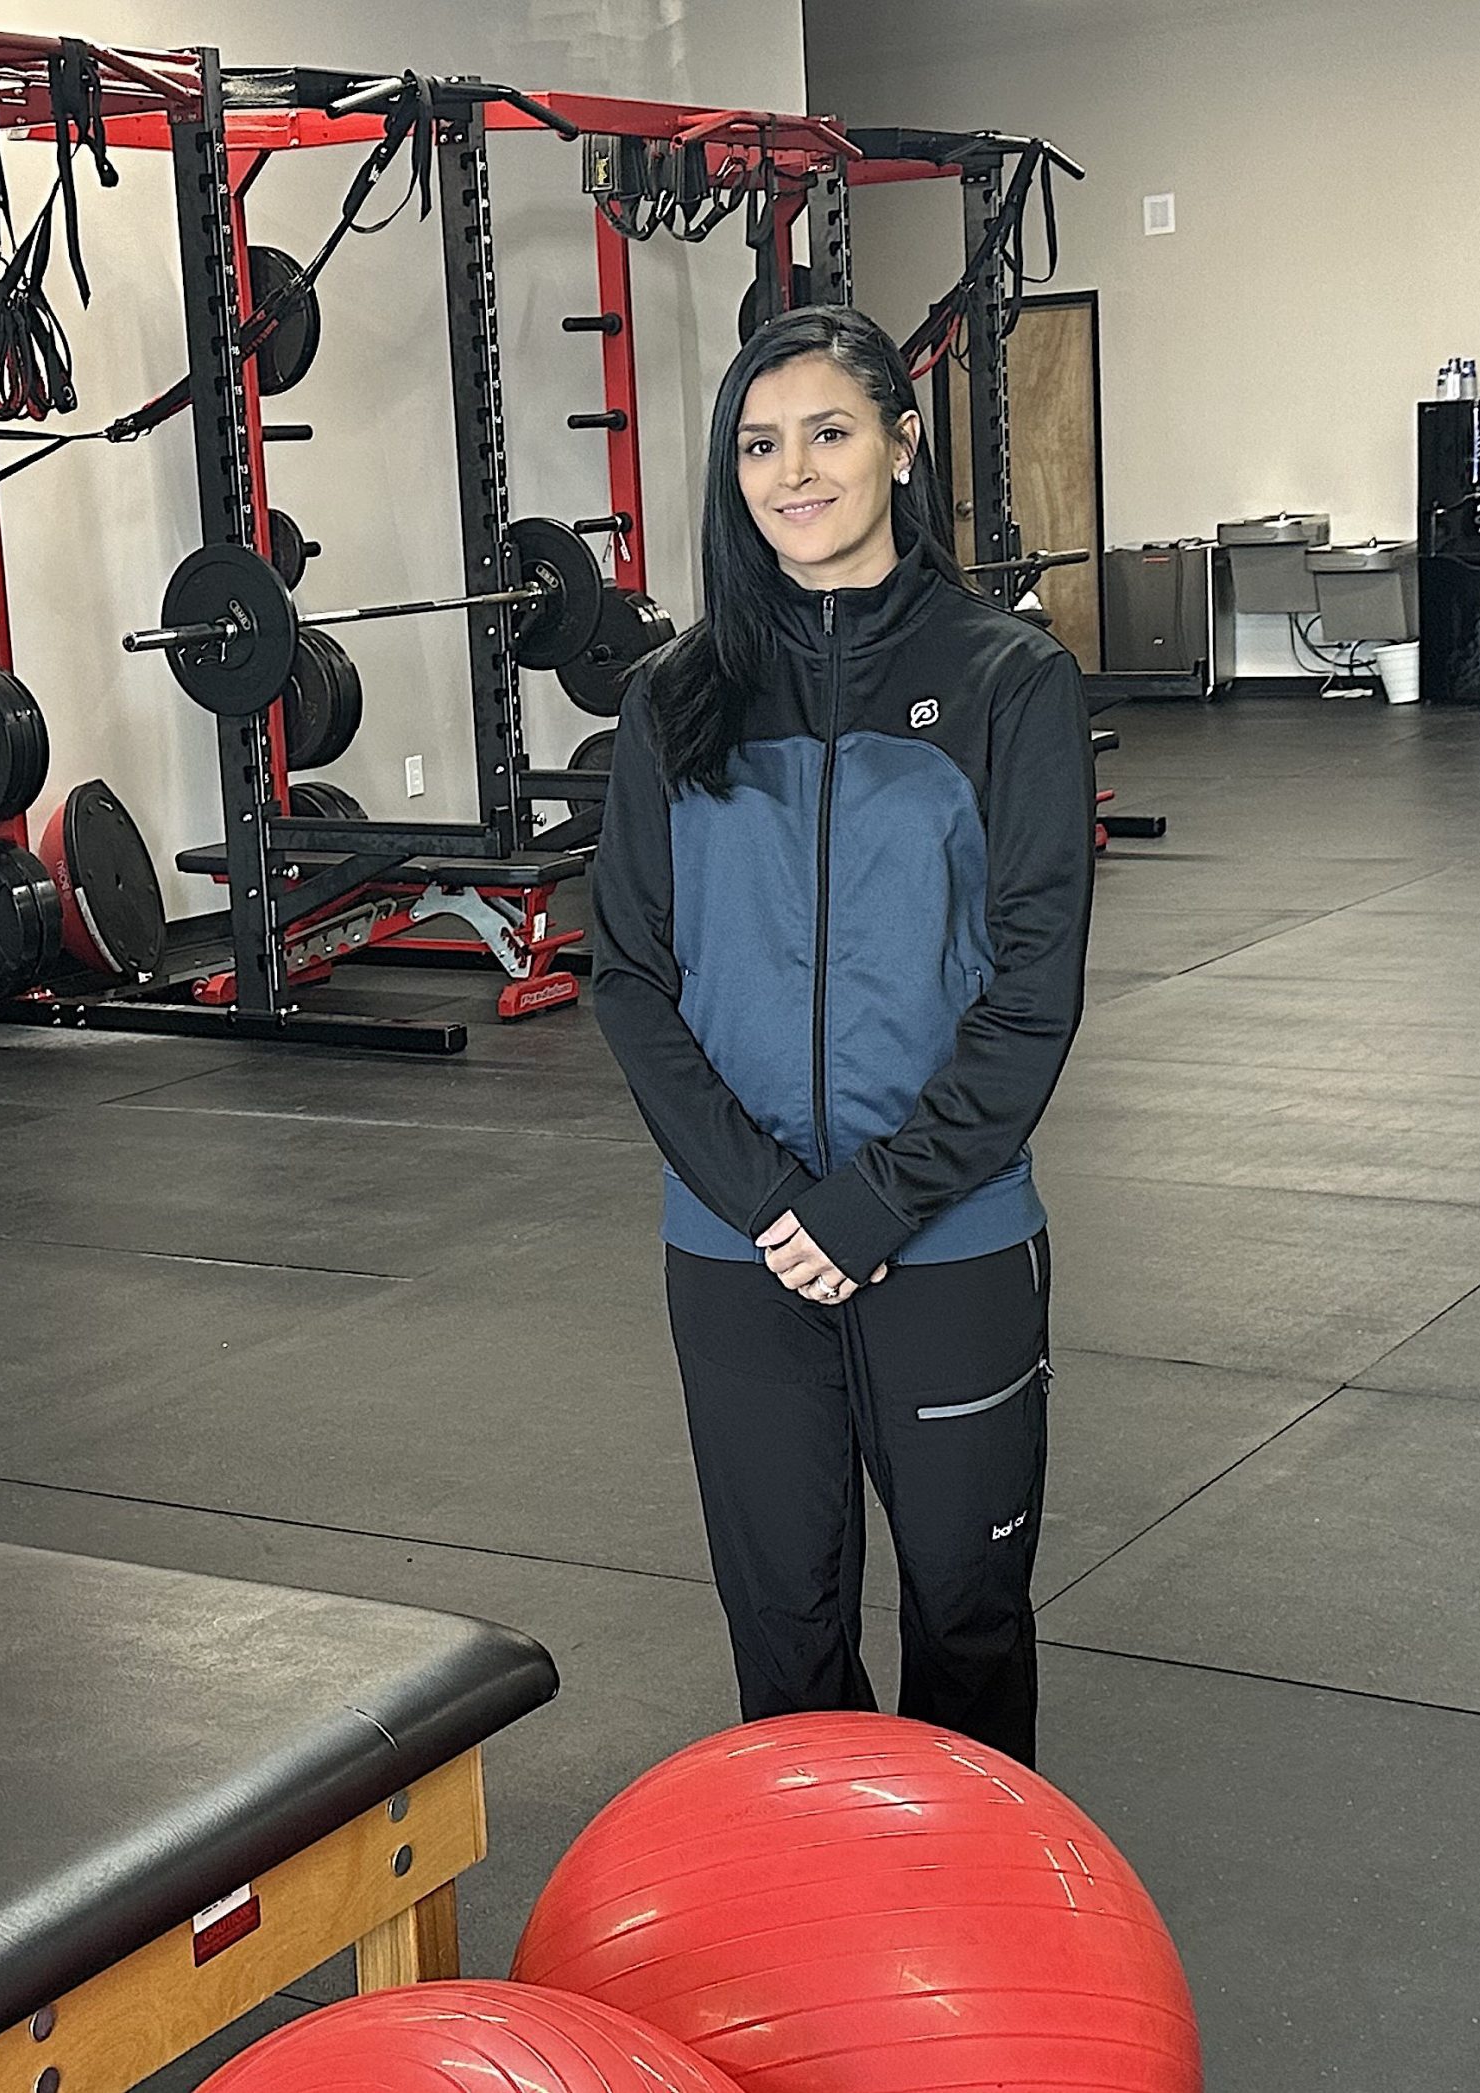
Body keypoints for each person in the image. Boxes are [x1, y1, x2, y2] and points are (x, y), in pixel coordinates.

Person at [589, 304, 1095, 1767]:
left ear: (901, 444)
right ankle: (823, 1962)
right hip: (737, 1249)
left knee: (969, 1616)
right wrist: (768, 1202)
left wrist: (874, 1201)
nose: (792, 473)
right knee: (784, 1631)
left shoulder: (1008, 683)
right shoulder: (674, 699)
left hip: (947, 1235)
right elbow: (629, 974)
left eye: (828, 433)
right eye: (759, 443)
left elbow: (1030, 988)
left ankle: (979, 1939)